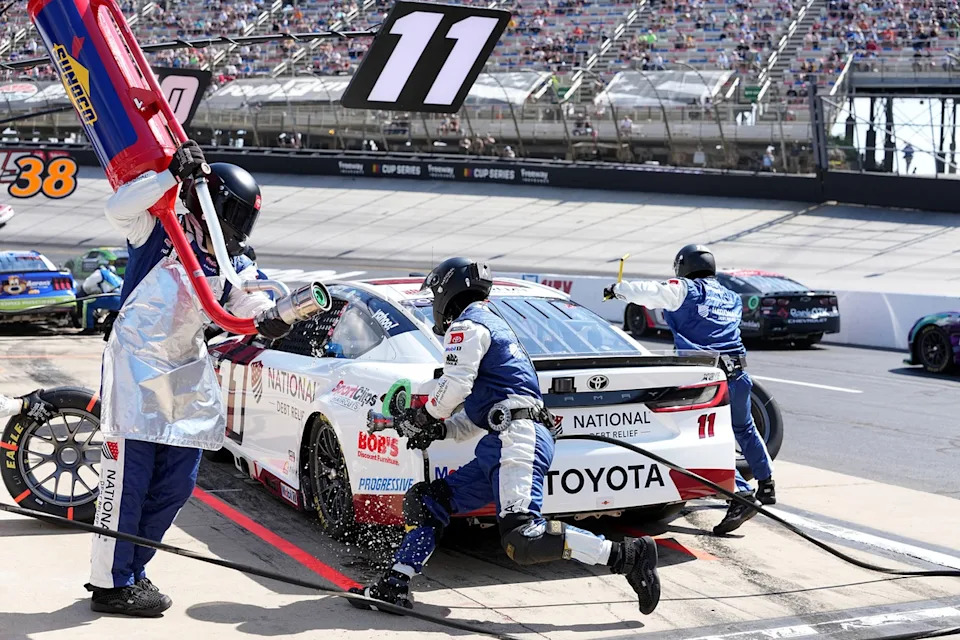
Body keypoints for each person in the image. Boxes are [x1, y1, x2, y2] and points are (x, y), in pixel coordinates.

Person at [349, 257, 661, 615]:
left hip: (518, 439)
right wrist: (439, 428)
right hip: (504, 440)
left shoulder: (468, 325)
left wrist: (423, 416)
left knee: (523, 537)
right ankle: (395, 585)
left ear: (446, 291)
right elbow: (478, 413)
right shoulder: (490, 325)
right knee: (429, 500)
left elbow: (454, 386)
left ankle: (627, 556)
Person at [87, 141, 303, 617]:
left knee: (176, 485)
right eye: (237, 218)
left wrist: (278, 318)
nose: (240, 230)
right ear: (212, 206)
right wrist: (170, 175)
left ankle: (134, 570)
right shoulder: (157, 227)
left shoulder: (233, 264)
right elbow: (116, 205)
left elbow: (250, 308)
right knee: (127, 482)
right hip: (134, 370)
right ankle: (109, 583)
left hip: (183, 370)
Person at [604, 244, 776, 535]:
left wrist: (619, 290)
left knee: (698, 439)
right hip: (738, 373)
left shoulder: (687, 289)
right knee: (744, 429)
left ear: (683, 267)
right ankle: (767, 483)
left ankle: (741, 494)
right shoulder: (731, 297)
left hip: (706, 378)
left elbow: (654, 292)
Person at [77, 265, 123, 334]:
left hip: (112, 297)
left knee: (87, 302)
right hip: (121, 298)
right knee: (104, 304)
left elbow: (86, 285)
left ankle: (89, 328)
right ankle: (98, 319)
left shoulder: (100, 272)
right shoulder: (115, 276)